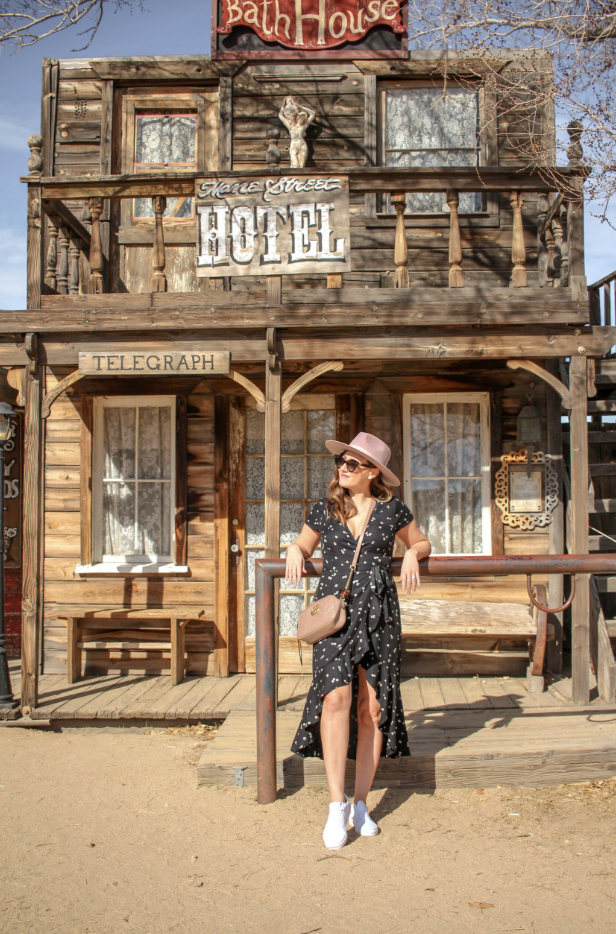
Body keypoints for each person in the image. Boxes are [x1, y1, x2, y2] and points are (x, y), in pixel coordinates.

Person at [285, 432, 431, 850]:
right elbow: (303, 543)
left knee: (371, 709)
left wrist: (410, 553)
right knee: (335, 699)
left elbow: (421, 541)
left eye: (351, 464)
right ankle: (336, 805)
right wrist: (295, 549)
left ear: (372, 472)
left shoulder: (391, 510)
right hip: (335, 616)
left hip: (380, 615)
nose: (342, 469)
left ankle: (361, 804)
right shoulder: (325, 508)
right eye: (341, 463)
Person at [278, 96, 316, 168]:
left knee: (302, 166)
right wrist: (283, 105)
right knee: (294, 165)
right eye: (301, 118)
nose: (302, 119)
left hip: (302, 144)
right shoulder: (291, 126)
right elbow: (280, 115)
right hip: (294, 144)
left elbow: (312, 114)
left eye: (303, 118)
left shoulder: (304, 126)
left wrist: (300, 107)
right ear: (297, 118)